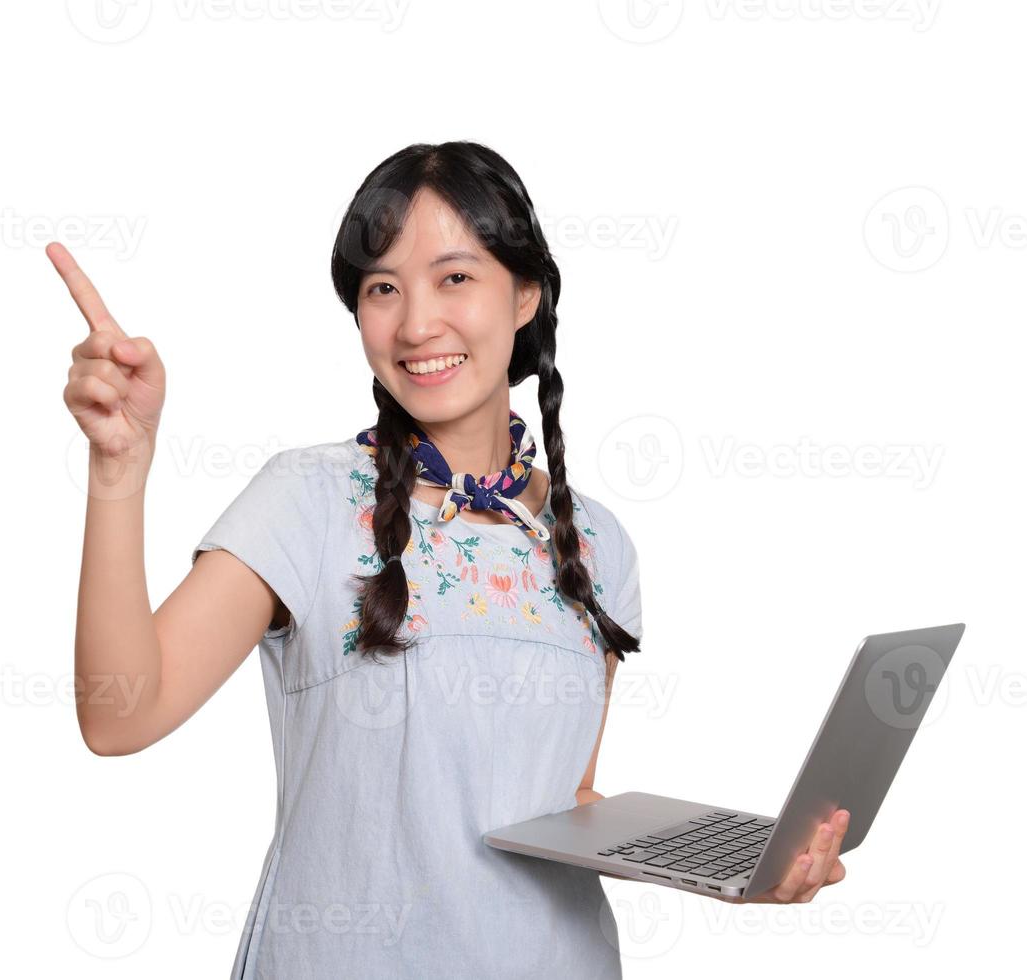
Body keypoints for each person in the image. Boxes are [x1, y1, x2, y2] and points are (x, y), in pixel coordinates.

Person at [50, 140, 848, 979]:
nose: (416, 322)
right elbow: (119, 716)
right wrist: (119, 469)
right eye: (382, 288)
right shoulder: (308, 501)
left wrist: (734, 868)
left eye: (455, 277)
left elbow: (562, 799)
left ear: (527, 294)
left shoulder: (597, 541)